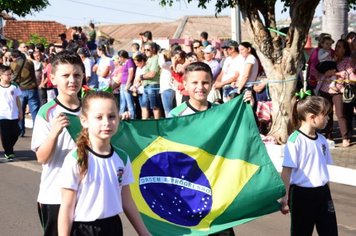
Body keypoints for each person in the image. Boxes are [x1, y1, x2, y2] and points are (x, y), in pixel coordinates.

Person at [168, 62, 253, 236]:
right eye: (195, 83)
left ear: (212, 84)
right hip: (188, 190)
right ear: (185, 85)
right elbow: (169, 155)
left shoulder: (222, 112)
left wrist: (247, 111)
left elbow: (243, 138)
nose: (200, 87)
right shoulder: (175, 116)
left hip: (218, 189)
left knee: (222, 232)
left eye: (205, 82)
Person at [57, 91, 150, 236]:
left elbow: (127, 202)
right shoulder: (76, 158)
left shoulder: (122, 158)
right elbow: (67, 207)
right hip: (83, 229)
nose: (106, 122)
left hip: (112, 227)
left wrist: (144, 233)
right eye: (99, 117)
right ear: (84, 121)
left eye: (112, 116)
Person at [31, 51, 84, 236]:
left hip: (87, 196)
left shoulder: (91, 110)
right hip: (54, 196)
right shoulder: (47, 112)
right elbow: (42, 158)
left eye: (77, 75)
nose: (72, 80)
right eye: (66, 75)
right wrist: (54, 132)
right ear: (53, 78)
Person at [280, 95, 338, 236]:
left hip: (323, 194)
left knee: (330, 231)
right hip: (302, 195)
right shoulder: (295, 140)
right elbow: (286, 171)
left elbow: (322, 171)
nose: (329, 119)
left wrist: (327, 193)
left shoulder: (323, 140)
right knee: (301, 232)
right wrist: (284, 198)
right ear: (312, 118)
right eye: (325, 115)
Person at [10, 49, 40, 137]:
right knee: (34, 112)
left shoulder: (13, 65)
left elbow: (13, 77)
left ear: (13, 57)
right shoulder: (30, 63)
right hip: (32, 89)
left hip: (21, 90)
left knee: (20, 111)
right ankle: (37, 132)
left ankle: (21, 131)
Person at [0, 65, 22, 160]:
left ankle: (8, 148)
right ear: (1, 75)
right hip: (2, 115)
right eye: (7, 74)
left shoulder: (14, 86)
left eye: (10, 74)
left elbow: (17, 99)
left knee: (16, 133)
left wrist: (20, 111)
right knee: (5, 135)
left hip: (13, 114)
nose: (9, 76)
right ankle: (9, 152)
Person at [139, 42, 161, 119]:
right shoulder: (149, 59)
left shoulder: (155, 58)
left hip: (153, 85)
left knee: (155, 107)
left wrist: (141, 77)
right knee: (144, 107)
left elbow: (152, 74)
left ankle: (156, 126)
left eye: (148, 49)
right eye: (144, 50)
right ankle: (144, 126)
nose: (146, 51)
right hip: (146, 86)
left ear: (153, 49)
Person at [118, 50, 136, 119]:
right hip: (123, 84)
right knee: (123, 103)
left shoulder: (129, 62)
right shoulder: (125, 63)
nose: (119, 59)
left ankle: (132, 118)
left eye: (119, 57)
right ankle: (120, 117)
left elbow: (131, 72)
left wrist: (127, 84)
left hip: (126, 84)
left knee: (129, 103)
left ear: (122, 57)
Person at [158, 49, 175, 117]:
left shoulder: (168, 64)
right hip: (165, 89)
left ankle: (170, 123)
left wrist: (160, 55)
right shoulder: (168, 65)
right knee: (167, 109)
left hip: (167, 89)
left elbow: (161, 63)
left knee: (168, 109)